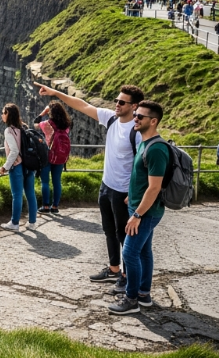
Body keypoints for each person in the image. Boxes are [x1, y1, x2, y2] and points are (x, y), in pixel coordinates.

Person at [37, 84, 144, 294]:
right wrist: (55, 93)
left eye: (122, 102)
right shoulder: (111, 119)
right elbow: (82, 105)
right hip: (106, 186)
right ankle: (114, 268)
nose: (117, 105)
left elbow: (143, 165)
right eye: (116, 100)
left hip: (123, 191)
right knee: (108, 230)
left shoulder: (137, 131)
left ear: (135, 106)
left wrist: (134, 193)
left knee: (125, 236)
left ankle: (126, 276)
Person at [108, 101, 168, 315]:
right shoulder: (144, 141)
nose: (135, 118)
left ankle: (131, 298)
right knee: (143, 252)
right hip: (140, 207)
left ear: (153, 121)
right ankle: (143, 294)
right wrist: (131, 198)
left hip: (146, 212)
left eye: (140, 116)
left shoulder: (157, 149)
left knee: (130, 252)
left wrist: (136, 214)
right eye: (136, 114)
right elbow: (142, 180)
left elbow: (154, 188)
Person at [0, 103, 38, 232]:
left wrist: (5, 167)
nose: (2, 115)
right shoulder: (24, 127)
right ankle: (32, 222)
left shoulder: (9, 130)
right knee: (30, 194)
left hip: (17, 166)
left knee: (17, 195)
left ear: (8, 114)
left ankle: (14, 223)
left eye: (3, 113)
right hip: (29, 165)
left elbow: (14, 151)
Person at [34, 101, 71, 215]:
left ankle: (45, 206)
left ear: (51, 112)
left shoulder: (47, 124)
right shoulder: (67, 124)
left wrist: (43, 113)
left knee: (45, 181)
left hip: (48, 155)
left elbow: (35, 124)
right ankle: (55, 206)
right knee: (57, 181)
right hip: (60, 157)